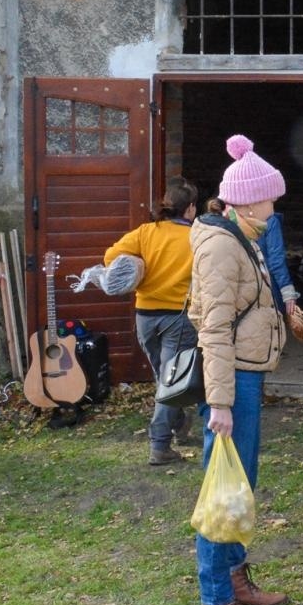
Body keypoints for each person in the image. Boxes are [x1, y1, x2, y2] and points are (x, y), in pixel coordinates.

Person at [188, 134, 289, 605]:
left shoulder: (241, 239)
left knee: (240, 484)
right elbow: (215, 331)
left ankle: (235, 578)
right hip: (234, 385)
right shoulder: (222, 249)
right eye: (270, 199)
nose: (274, 208)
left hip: (247, 379)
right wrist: (220, 402)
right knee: (222, 490)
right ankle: (216, 598)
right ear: (247, 201)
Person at [102, 178, 201, 465]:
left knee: (165, 377)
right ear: (191, 208)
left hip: (144, 316)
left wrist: (139, 267)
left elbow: (111, 256)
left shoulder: (146, 232)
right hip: (178, 318)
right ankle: (160, 444)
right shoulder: (197, 236)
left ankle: (179, 422)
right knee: (172, 381)